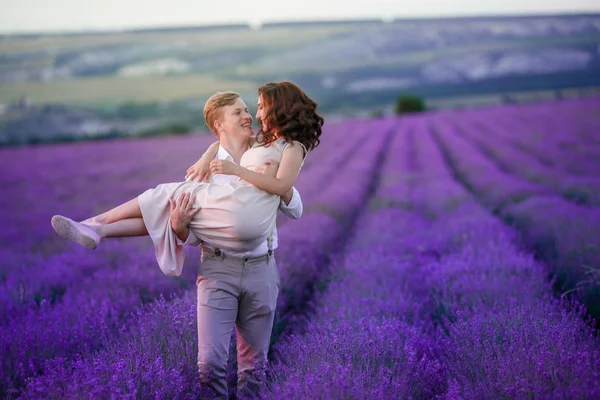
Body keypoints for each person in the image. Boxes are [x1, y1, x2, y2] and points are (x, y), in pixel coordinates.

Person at [51, 82, 323, 279]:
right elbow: (194, 235)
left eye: (249, 109)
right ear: (219, 126)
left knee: (163, 196)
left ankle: (95, 225)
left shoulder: (265, 148)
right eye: (238, 113)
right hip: (220, 259)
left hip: (259, 257)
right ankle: (97, 229)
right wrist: (179, 226)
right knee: (167, 208)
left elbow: (295, 207)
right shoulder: (206, 171)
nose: (251, 115)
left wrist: (271, 183)